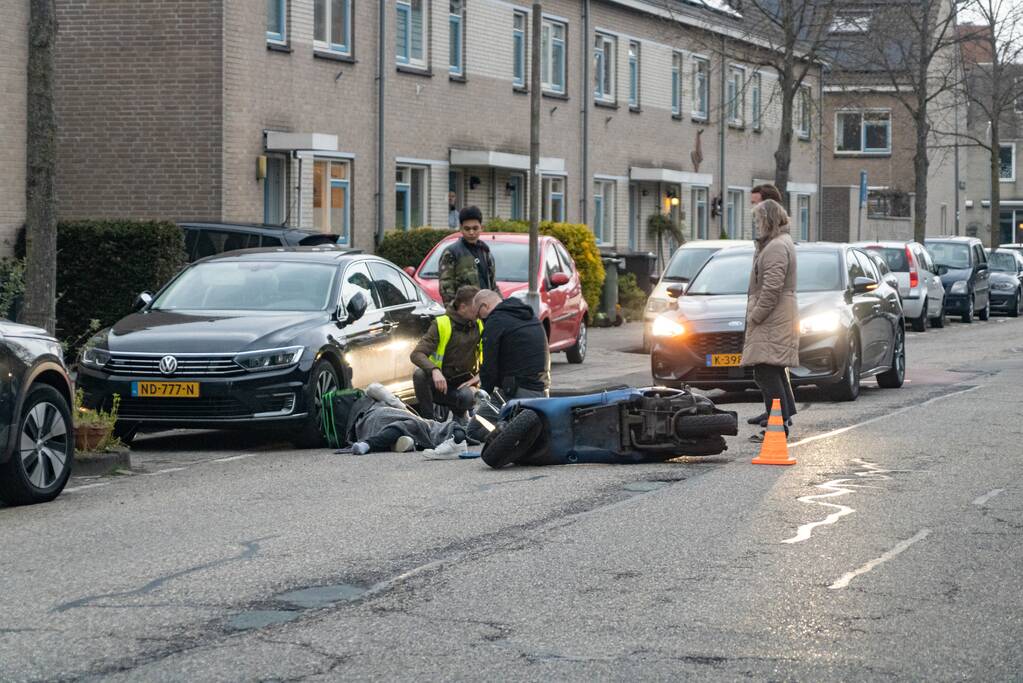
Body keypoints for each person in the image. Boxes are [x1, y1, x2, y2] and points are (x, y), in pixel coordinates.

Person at [741, 199, 799, 442]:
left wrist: (756, 316)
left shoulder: (776, 247)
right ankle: (784, 416)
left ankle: (778, 426)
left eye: (758, 220)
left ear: (768, 220)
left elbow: (772, 287)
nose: (756, 224)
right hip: (778, 316)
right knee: (772, 368)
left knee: (765, 371)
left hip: (773, 318)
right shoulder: (777, 243)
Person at [410, 285, 482, 424]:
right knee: (420, 375)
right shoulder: (442, 324)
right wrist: (434, 370)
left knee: (466, 397)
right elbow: (417, 354)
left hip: (465, 384)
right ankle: (429, 424)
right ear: (463, 307)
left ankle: (461, 419)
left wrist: (479, 377)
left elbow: (495, 354)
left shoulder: (480, 323)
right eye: (476, 307)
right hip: (441, 384)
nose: (479, 311)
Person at [473, 289, 550, 399]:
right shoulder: (529, 316)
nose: (480, 319)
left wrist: (485, 392)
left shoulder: (495, 321)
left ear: (485, 306)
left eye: (478, 315)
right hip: (542, 388)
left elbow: (489, 365)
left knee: (482, 410)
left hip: (519, 390)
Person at [438, 206, 497, 306]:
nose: (471, 232)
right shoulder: (451, 253)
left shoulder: (485, 251)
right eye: (467, 229)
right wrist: (456, 311)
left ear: (481, 228)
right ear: (461, 228)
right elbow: (446, 289)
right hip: (464, 311)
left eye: (475, 228)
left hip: (485, 309)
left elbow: (493, 285)